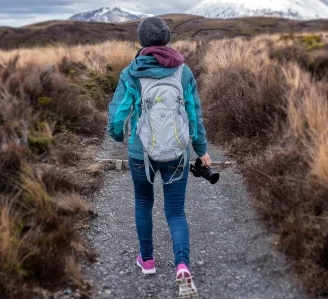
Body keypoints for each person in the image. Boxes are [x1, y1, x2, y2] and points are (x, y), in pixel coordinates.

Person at [107, 16, 210, 299]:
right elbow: (194, 115)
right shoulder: (184, 71)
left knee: (143, 202)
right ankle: (182, 266)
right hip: (177, 153)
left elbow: (118, 116)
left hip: (142, 153)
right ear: (166, 39)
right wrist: (201, 150)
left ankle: (148, 261)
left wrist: (118, 137)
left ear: (142, 42)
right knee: (176, 212)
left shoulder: (131, 72)